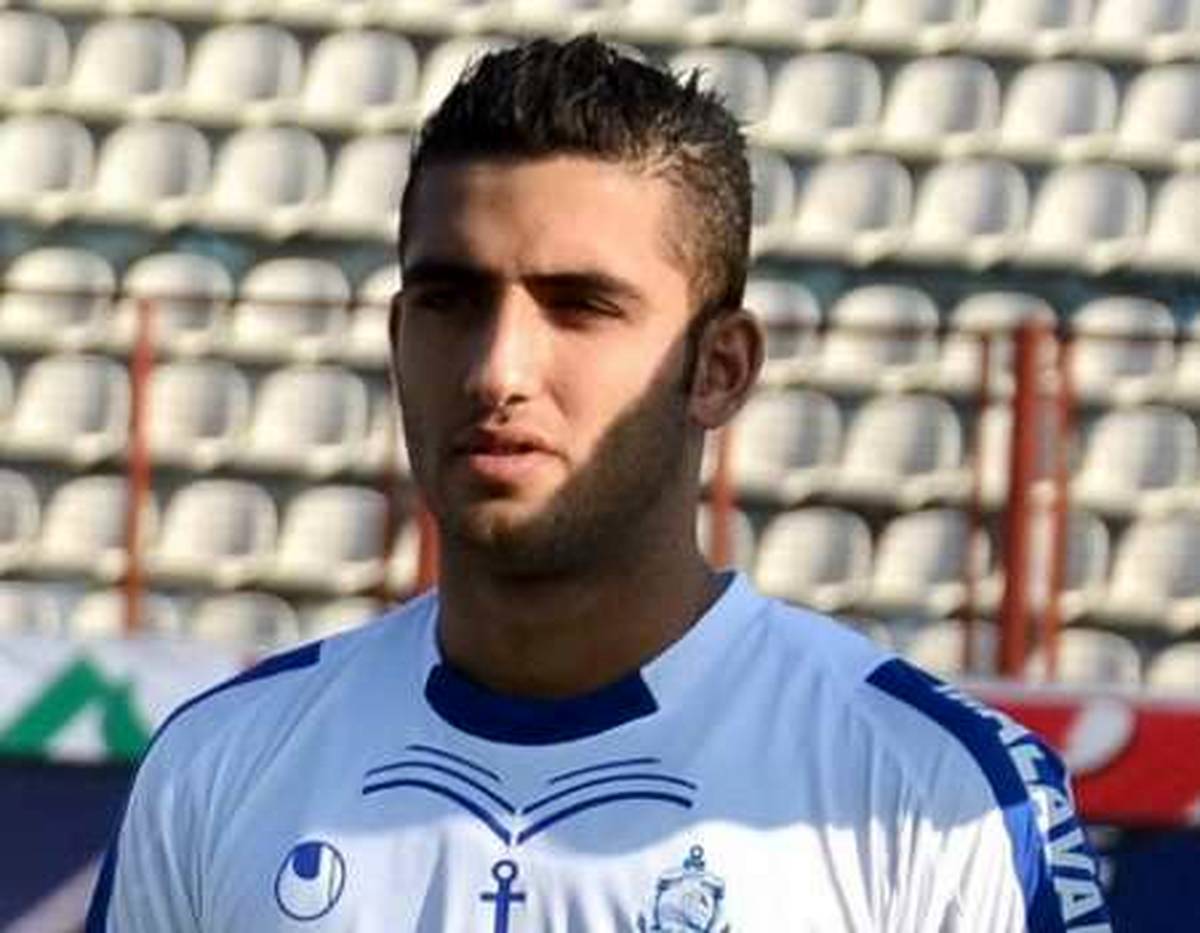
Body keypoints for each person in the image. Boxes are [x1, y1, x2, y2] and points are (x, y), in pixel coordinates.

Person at [87, 36, 1111, 932]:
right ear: (398, 339)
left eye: (579, 306)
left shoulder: (937, 797)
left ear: (720, 369)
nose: (497, 370)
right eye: (450, 301)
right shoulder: (220, 766)